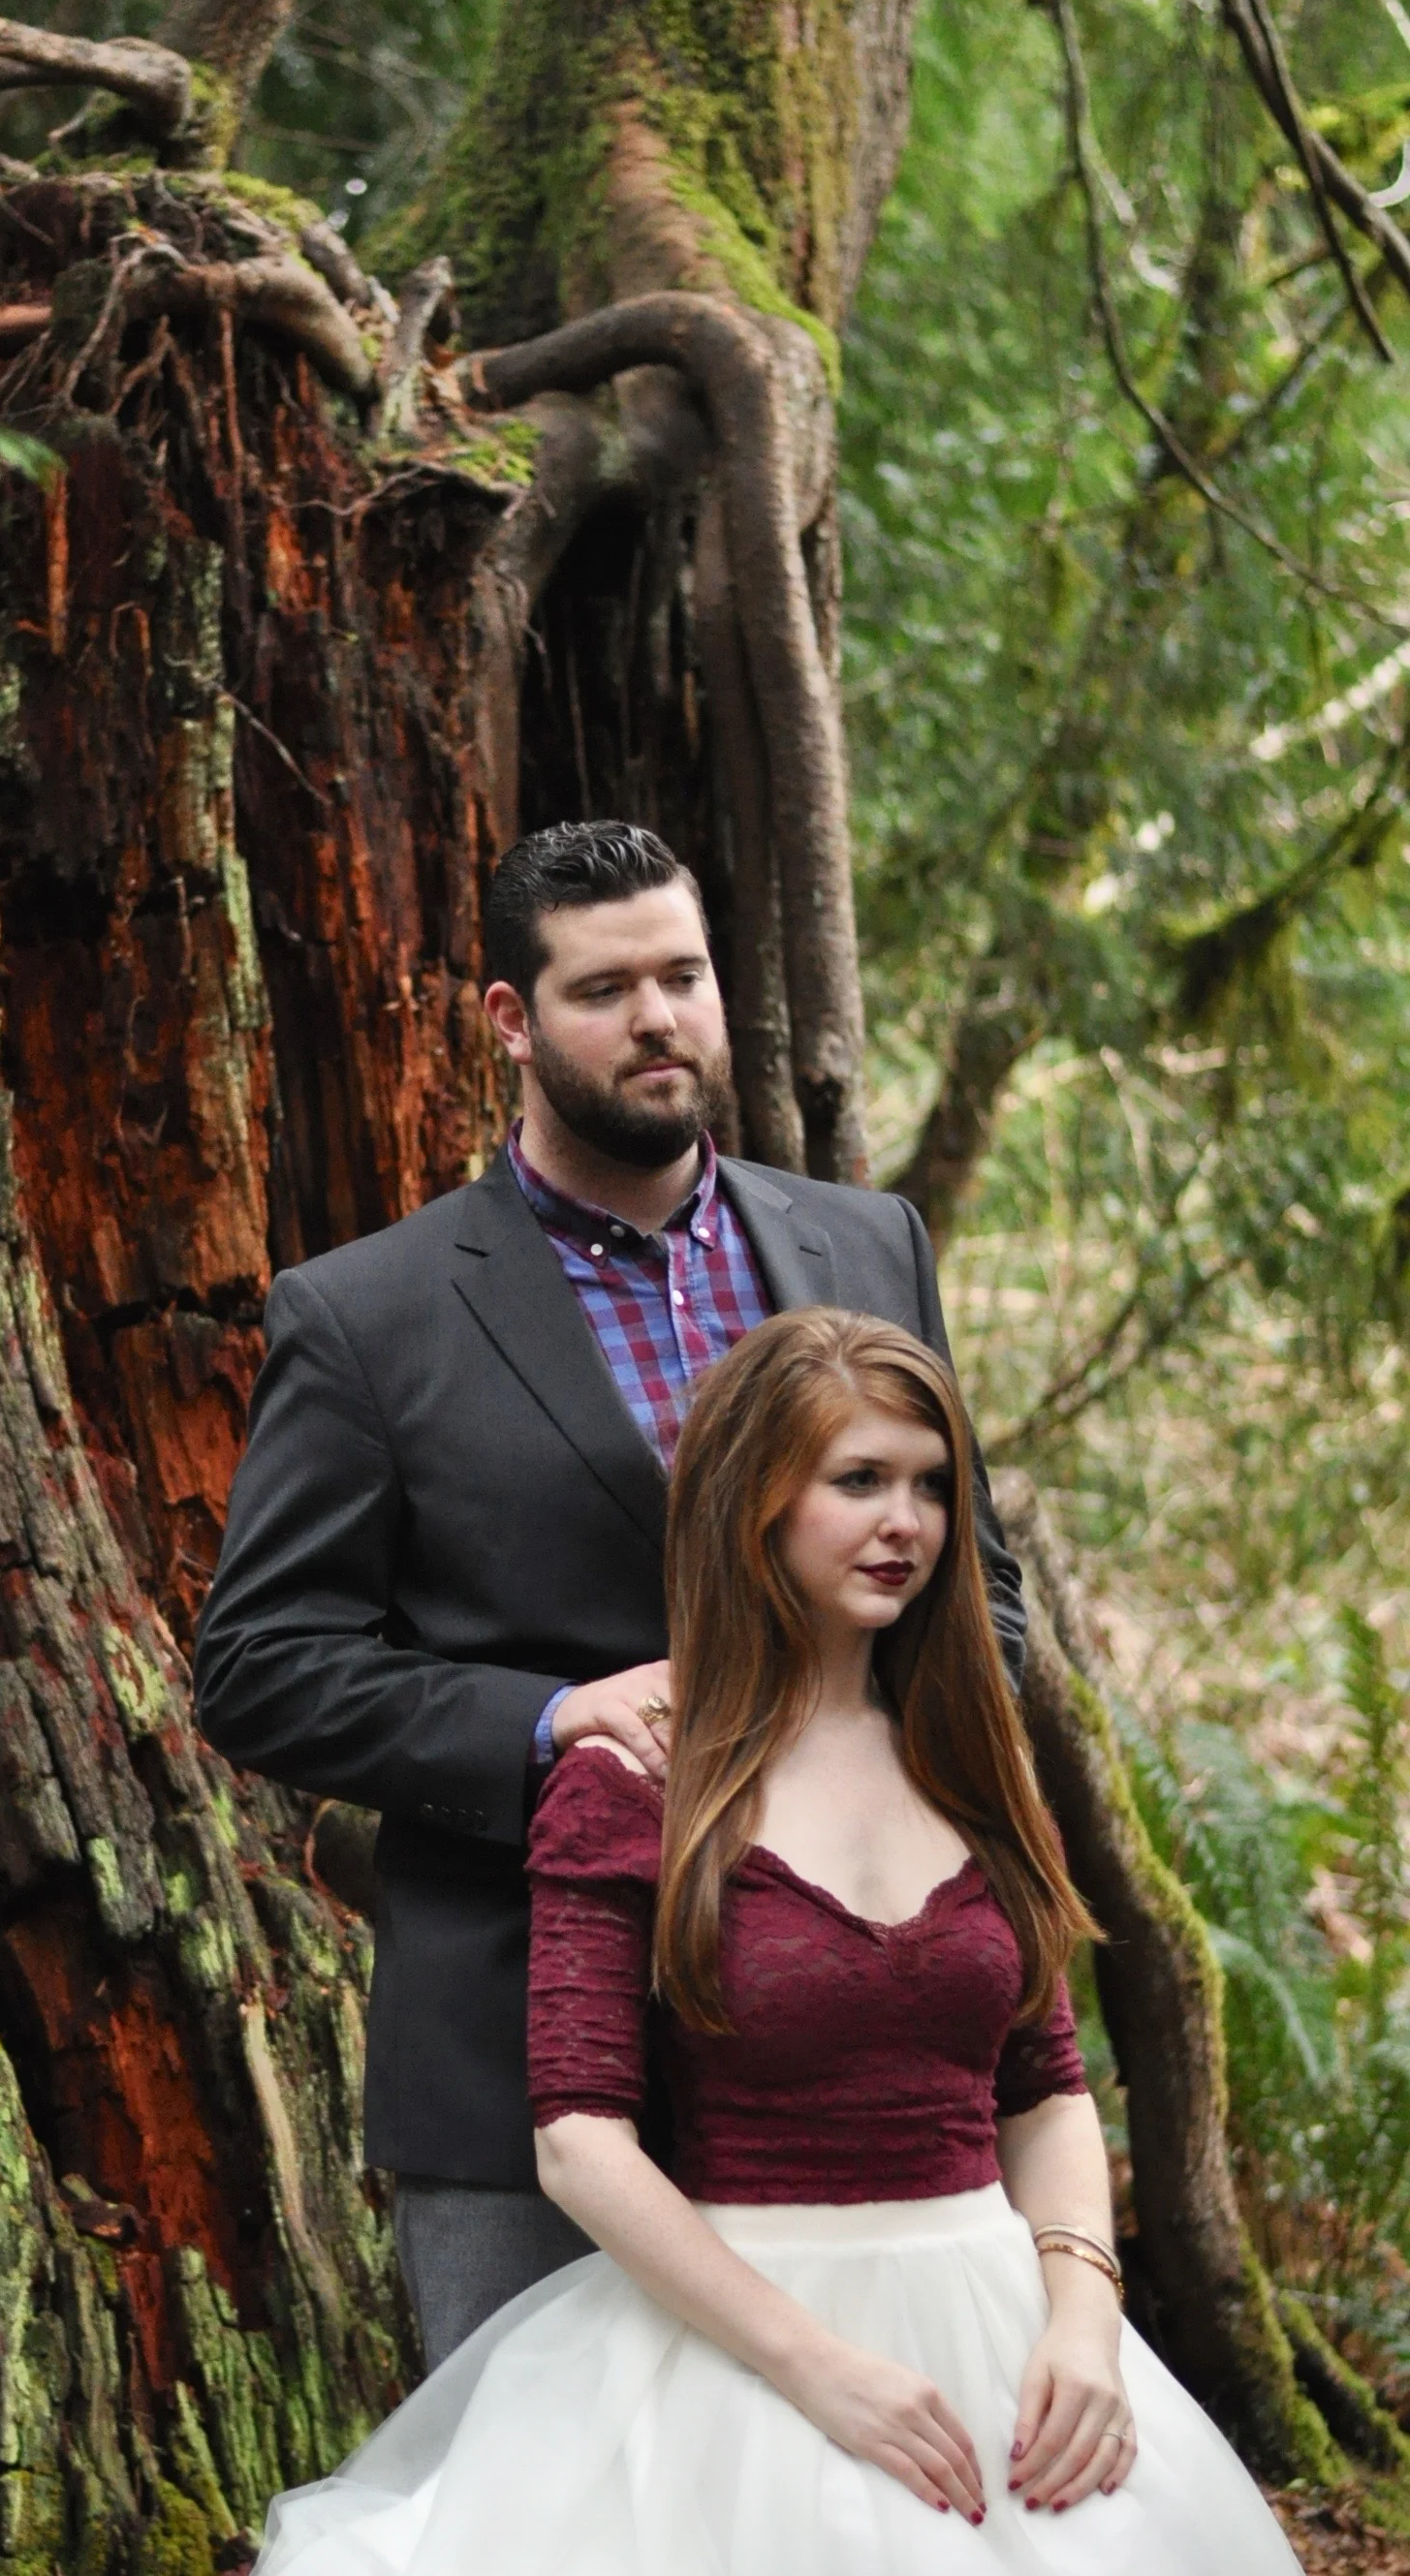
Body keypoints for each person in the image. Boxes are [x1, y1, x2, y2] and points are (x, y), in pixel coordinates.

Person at [249, 1311, 1302, 2575]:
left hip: (1003, 2328)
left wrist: (1082, 2316)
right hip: (746, 2335)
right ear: (757, 1498)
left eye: (929, 1485)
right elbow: (581, 2142)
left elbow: (1046, 2088)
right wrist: (820, 2370)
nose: (905, 1522)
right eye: (859, 1480)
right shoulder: (636, 1779)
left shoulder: (977, 1756)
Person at [193, 819, 1026, 2366]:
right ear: (508, 1020)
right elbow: (259, 1666)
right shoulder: (368, 1315)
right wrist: (554, 1718)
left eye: (683, 976)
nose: (657, 1019)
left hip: (850, 2047)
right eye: (605, 989)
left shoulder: (861, 1245)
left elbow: (984, 1601)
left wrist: (861, 1772)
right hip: (521, 2072)